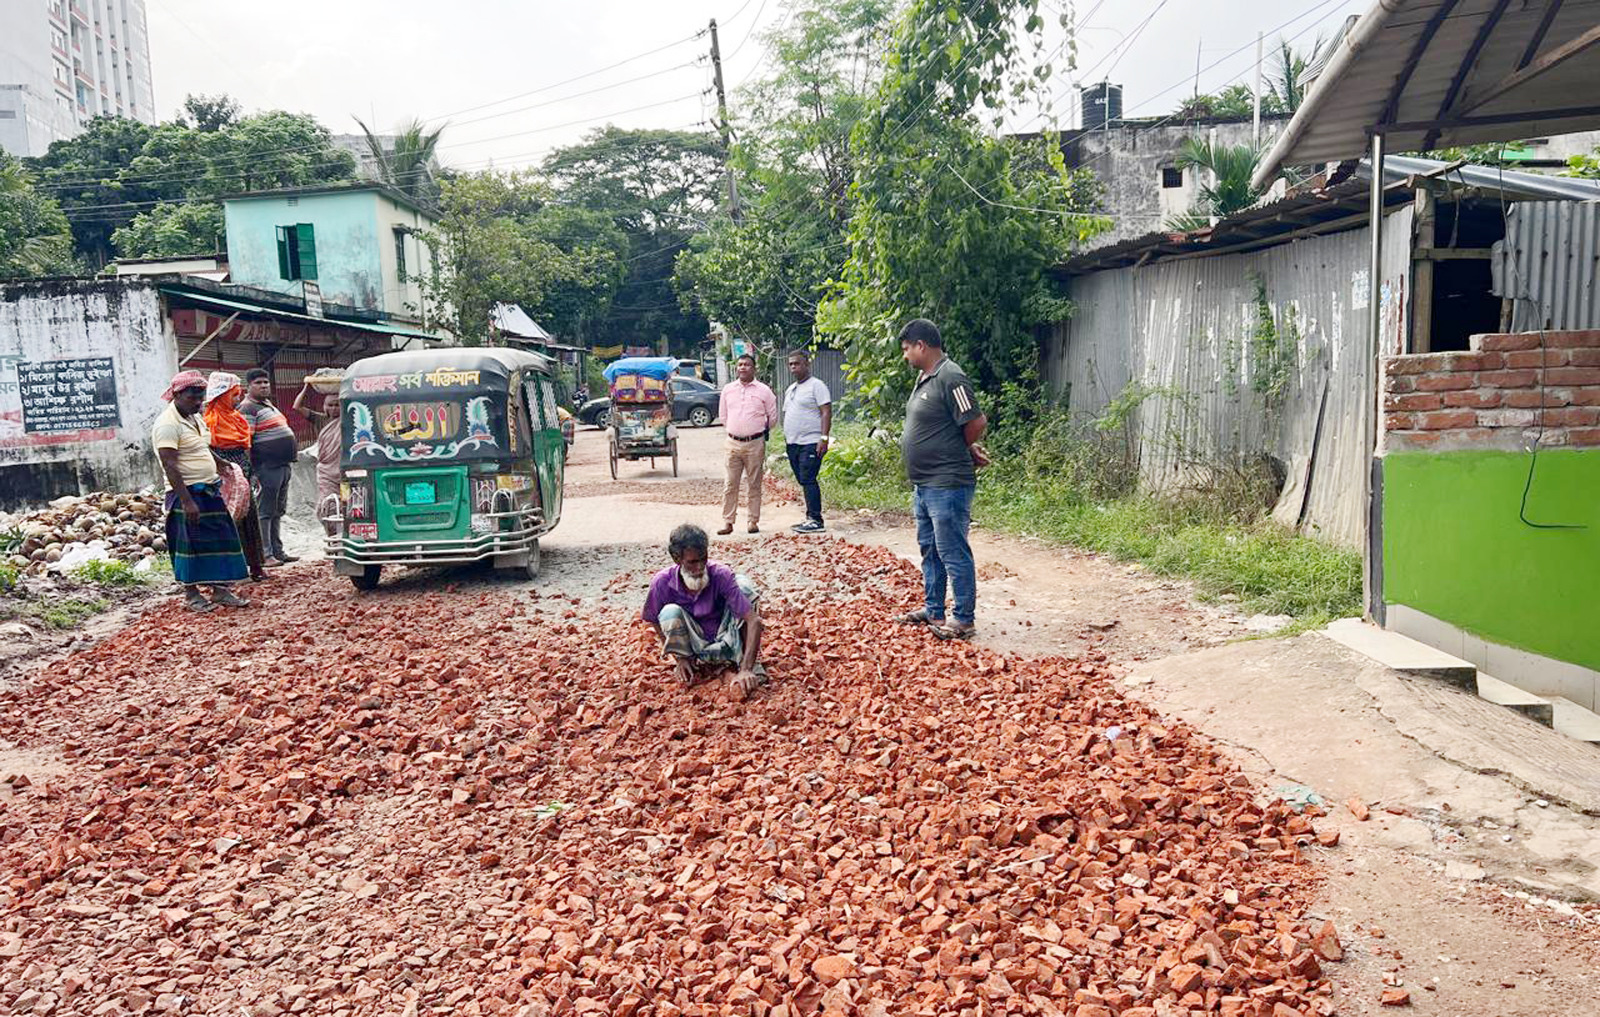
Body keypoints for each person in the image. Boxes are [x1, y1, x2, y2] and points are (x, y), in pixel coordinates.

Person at [896, 319, 988, 641]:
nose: (905, 356)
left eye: (907, 349)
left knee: (952, 550)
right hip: (924, 484)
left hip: (947, 483)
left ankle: (963, 619)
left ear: (921, 345)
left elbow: (975, 421)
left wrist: (962, 446)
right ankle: (934, 609)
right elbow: (943, 424)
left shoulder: (951, 376)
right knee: (930, 550)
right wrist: (962, 445)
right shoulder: (925, 377)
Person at [152, 370, 251, 612]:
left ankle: (220, 590)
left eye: (200, 397)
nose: (198, 402)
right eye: (192, 397)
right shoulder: (167, 424)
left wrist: (219, 462)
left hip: (209, 488)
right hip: (187, 492)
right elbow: (169, 463)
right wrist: (187, 501)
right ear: (176, 395)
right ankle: (192, 594)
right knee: (190, 545)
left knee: (218, 541)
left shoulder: (195, 418)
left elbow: (201, 447)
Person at [641, 523, 765, 699]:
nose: (700, 567)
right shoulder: (661, 582)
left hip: (728, 640)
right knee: (669, 613)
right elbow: (653, 618)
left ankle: (745, 662)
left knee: (744, 586)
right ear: (677, 559)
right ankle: (690, 664)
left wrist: (746, 668)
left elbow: (753, 620)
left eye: (703, 559)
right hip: (696, 647)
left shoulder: (720, 574)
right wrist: (679, 658)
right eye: (692, 562)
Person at [203, 372, 269, 581]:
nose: (237, 399)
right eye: (233, 395)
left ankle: (256, 566)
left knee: (250, 518)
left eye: (238, 394)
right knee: (229, 521)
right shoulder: (210, 421)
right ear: (222, 396)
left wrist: (250, 473)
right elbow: (207, 452)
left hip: (243, 474)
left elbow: (245, 448)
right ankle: (232, 570)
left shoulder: (237, 418)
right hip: (223, 477)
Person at [238, 368, 299, 565]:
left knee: (277, 510)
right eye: (258, 383)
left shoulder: (268, 405)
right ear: (249, 386)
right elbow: (246, 441)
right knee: (265, 511)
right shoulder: (247, 408)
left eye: (266, 382)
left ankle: (278, 551)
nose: (263, 386)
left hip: (282, 465)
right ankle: (265, 554)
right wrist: (251, 471)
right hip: (266, 466)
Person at [717, 352, 777, 535]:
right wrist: (736, 430)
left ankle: (753, 521)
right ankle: (728, 522)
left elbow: (772, 417)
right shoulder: (728, 389)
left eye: (747, 365)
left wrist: (755, 431)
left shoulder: (764, 391)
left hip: (755, 444)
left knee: (754, 484)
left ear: (754, 368)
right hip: (732, 443)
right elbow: (723, 416)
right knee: (730, 484)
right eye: (740, 364)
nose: (743, 367)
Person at [782, 350, 832, 533]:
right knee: (802, 479)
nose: (793, 367)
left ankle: (816, 519)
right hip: (793, 443)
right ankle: (810, 517)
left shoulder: (816, 386)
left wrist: (824, 438)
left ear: (806, 364)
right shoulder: (791, 389)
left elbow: (826, 412)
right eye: (790, 364)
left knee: (808, 478)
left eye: (797, 363)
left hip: (811, 441)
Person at [293, 381, 341, 536]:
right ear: (324, 406)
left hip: (343, 468)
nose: (333, 408)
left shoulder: (348, 420)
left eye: (337, 405)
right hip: (327, 470)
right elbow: (297, 406)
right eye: (330, 405)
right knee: (327, 503)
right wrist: (307, 387)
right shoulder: (320, 419)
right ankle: (332, 534)